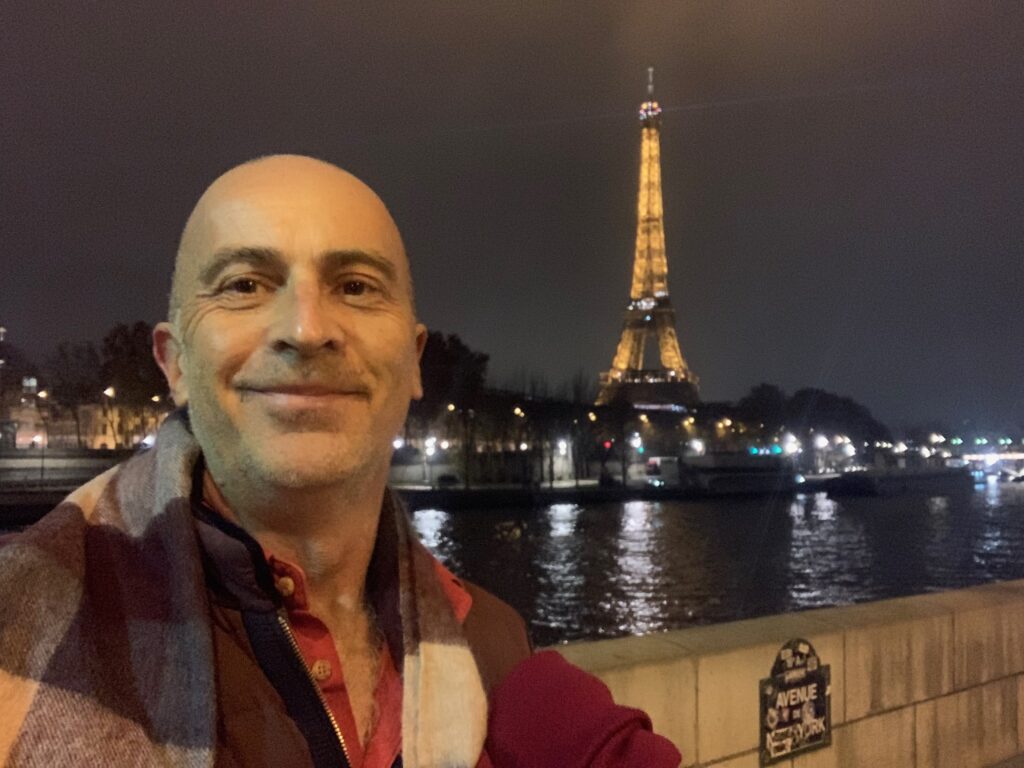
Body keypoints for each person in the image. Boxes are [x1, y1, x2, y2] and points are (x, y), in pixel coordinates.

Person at [0, 155, 680, 767]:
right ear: (174, 363)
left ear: (415, 361)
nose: (305, 329)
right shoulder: (16, 621)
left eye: (355, 286)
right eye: (243, 284)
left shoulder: (497, 650)